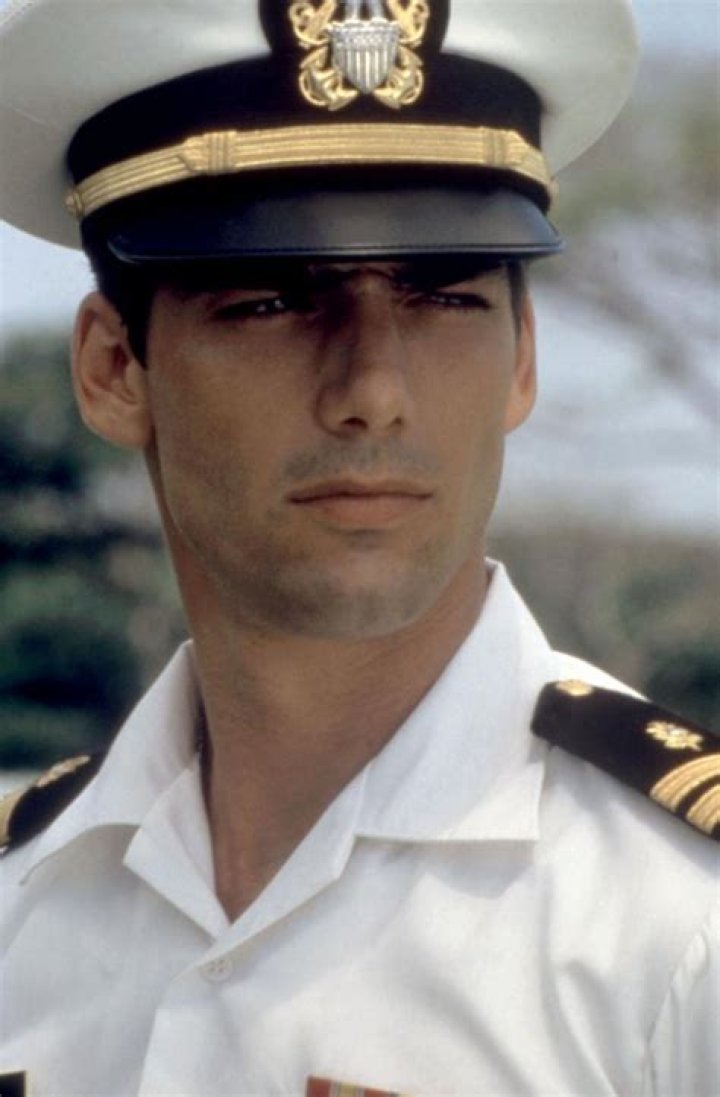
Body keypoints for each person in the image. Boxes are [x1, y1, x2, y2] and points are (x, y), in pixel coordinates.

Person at [0, 1, 717, 1095]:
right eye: (272, 301)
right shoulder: (24, 898)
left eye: (443, 297)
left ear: (523, 359)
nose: (373, 390)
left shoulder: (683, 926)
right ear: (114, 370)